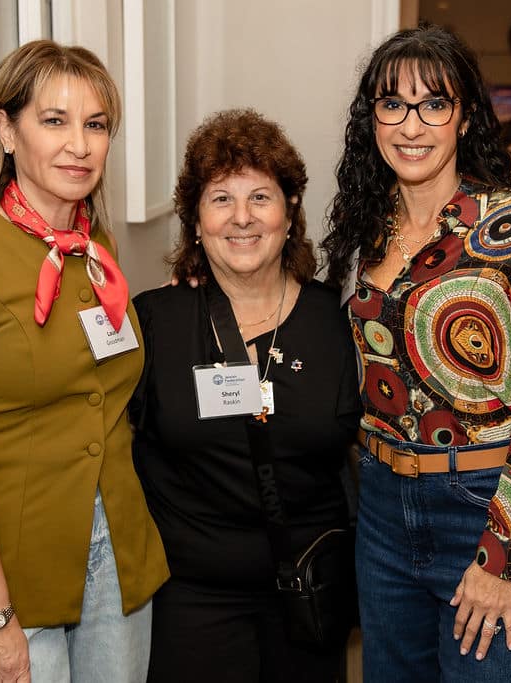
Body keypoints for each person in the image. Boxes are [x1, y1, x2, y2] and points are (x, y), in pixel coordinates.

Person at [321, 23, 511, 682]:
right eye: (393, 104)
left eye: (433, 104)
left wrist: (503, 557)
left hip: (484, 505)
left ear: (465, 117)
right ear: (372, 118)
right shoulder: (363, 225)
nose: (412, 125)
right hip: (382, 509)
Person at [0, 40, 167, 682]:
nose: (79, 145)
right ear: (6, 130)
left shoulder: (95, 244)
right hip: (8, 575)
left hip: (117, 556)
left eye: (96, 125)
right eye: (55, 121)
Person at [130, 109, 361, 683]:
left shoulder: (338, 320)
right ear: (195, 220)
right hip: (190, 603)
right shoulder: (155, 322)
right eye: (220, 199)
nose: (241, 217)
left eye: (260, 197)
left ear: (290, 212)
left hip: (310, 591)